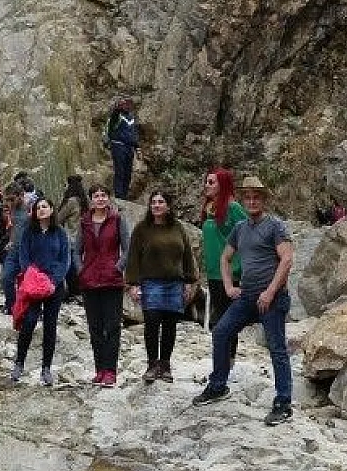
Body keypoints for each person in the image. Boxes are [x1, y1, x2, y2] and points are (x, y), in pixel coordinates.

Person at [193, 175, 296, 426]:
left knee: (277, 349)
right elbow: (225, 257)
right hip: (247, 295)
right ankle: (218, 385)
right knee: (220, 332)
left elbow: (287, 259)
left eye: (256, 197)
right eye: (247, 197)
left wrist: (270, 292)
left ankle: (283, 403)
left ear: (264, 200)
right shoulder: (241, 228)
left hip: (272, 297)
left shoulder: (275, 226)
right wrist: (229, 286)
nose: (251, 201)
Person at [126, 190, 199, 384]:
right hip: (151, 282)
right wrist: (132, 283)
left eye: (161, 202)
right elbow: (133, 256)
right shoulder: (142, 229)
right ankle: (151, 365)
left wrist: (190, 281)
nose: (156, 205)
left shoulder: (178, 228)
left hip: (174, 283)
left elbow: (187, 255)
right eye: (153, 202)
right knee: (151, 323)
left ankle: (165, 365)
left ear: (168, 206)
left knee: (170, 325)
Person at [13, 196, 71, 386]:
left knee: (50, 325)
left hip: (54, 286)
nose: (41, 210)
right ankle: (19, 363)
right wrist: (33, 277)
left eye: (45, 207)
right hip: (34, 284)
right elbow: (24, 257)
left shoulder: (60, 233)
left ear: (52, 210)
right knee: (28, 321)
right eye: (38, 208)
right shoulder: (29, 232)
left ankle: (46, 368)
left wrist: (54, 281)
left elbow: (65, 260)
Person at [77, 184, 129, 386]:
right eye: (96, 196)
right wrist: (80, 268)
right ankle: (99, 369)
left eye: (103, 195)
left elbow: (128, 247)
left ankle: (110, 370)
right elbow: (76, 249)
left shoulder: (117, 219)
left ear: (108, 198)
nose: (100, 199)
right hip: (89, 280)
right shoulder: (85, 222)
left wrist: (118, 267)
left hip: (111, 280)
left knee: (112, 326)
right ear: (91, 199)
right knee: (95, 327)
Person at [199, 167, 248, 359]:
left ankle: (228, 361)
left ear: (223, 184)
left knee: (226, 320)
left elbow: (248, 232)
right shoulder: (209, 207)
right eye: (207, 181)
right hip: (213, 272)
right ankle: (221, 361)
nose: (207, 185)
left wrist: (242, 266)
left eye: (212, 182)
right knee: (219, 317)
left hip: (229, 272)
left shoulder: (233, 207)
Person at [103, 98, 140, 200]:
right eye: (124, 104)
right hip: (118, 145)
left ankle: (124, 193)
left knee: (128, 172)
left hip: (129, 147)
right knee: (120, 170)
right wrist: (117, 109)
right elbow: (112, 126)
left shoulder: (131, 118)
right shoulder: (117, 116)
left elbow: (134, 133)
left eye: (128, 104)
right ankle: (119, 195)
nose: (127, 106)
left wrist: (137, 147)